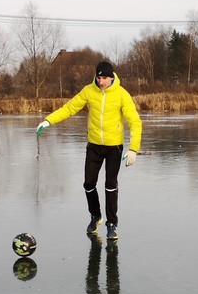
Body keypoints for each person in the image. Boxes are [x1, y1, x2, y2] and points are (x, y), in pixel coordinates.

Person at [36, 61, 142, 240]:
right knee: (88, 183)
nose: (101, 82)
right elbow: (69, 108)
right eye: (99, 78)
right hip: (94, 145)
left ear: (112, 77)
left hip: (114, 147)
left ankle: (111, 223)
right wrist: (48, 121)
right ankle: (96, 216)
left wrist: (133, 149)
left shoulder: (122, 95)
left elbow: (135, 122)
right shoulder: (88, 91)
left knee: (110, 184)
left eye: (105, 78)